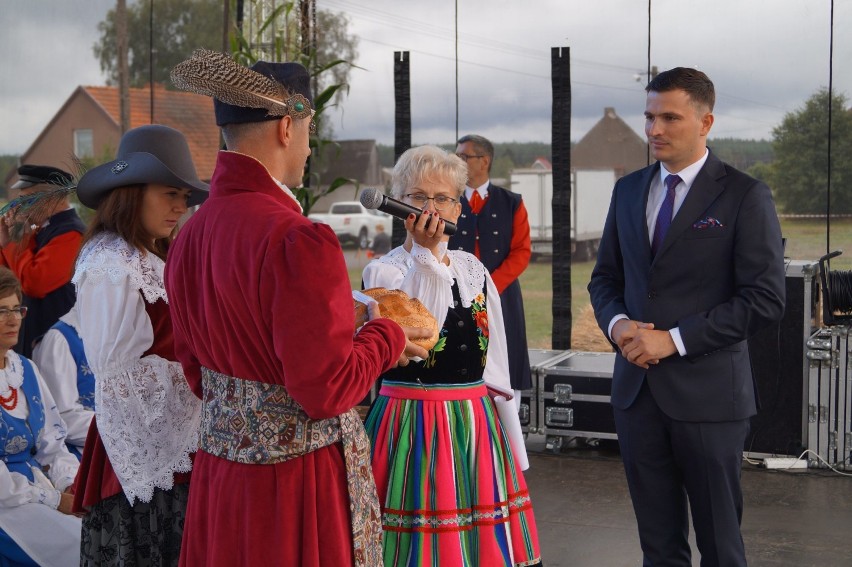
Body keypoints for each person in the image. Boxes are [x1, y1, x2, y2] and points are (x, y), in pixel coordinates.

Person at [166, 54, 429, 567]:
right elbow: (325, 389)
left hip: (221, 480)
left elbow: (197, 372)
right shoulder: (298, 239)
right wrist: (386, 337)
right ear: (287, 126)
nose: (308, 146)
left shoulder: (189, 235)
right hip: (293, 491)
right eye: (310, 131)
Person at [588, 67, 786, 566]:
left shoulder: (744, 195)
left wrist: (672, 339)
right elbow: (605, 279)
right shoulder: (628, 190)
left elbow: (764, 298)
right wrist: (618, 327)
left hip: (710, 399)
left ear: (706, 122)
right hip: (636, 394)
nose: (654, 129)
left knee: (721, 546)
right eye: (650, 116)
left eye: (670, 117)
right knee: (658, 547)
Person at [362, 145, 542, 567]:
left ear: (458, 209)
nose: (431, 207)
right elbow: (422, 333)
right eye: (419, 197)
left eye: (442, 198)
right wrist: (425, 256)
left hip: (473, 421)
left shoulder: (473, 269)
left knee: (478, 536)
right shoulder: (384, 272)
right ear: (400, 204)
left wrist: (506, 428)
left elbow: (493, 354)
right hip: (411, 419)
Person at [70, 124, 209, 565]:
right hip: (139, 444)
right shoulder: (112, 261)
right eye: (170, 194)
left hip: (176, 441)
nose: (179, 208)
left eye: (184, 198)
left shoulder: (152, 255)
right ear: (131, 192)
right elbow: (117, 372)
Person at [0, 266, 81, 567]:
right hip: (6, 501)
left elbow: (54, 444)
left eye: (16, 309)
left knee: (101, 529)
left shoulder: (24, 369)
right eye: (1, 311)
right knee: (81, 547)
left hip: (35, 489)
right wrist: (55, 501)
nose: (12, 320)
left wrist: (70, 485)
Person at [447, 134, 532, 404]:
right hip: (454, 296)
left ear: (484, 161)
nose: (457, 161)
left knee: (508, 356)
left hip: (502, 295)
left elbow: (521, 251)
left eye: (464, 156)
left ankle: (509, 427)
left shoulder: (512, 202)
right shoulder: (448, 201)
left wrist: (489, 286)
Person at [1, 164, 86, 358]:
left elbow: (34, 283)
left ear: (51, 199)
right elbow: (9, 280)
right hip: (36, 334)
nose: (20, 206)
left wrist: (17, 240)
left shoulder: (71, 233)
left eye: (27, 199)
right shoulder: (43, 230)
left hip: (56, 344)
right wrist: (6, 241)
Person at [32, 303, 93, 459]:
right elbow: (63, 419)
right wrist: (122, 428)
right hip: (83, 455)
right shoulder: (61, 339)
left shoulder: (120, 332)